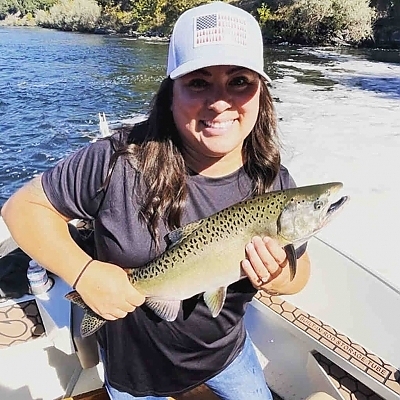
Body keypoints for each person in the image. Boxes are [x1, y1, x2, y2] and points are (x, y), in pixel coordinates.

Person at [1, 2, 311, 399]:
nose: (220, 101)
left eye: (239, 81)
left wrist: (279, 275)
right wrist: (84, 273)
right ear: (170, 94)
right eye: (198, 82)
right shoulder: (117, 159)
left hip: (227, 355)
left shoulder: (273, 184)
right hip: (135, 373)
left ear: (261, 95)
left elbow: (301, 276)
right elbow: (21, 209)